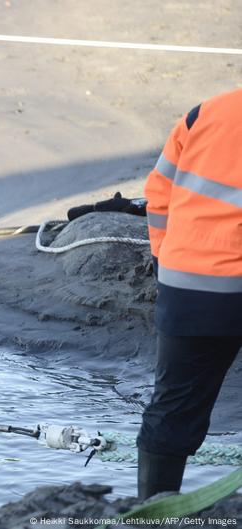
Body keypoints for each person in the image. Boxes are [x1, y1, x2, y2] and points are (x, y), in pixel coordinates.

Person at [137, 88, 242, 500]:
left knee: (173, 406)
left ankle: (151, 514)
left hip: (190, 285)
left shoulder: (207, 112)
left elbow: (158, 192)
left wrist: (167, 260)